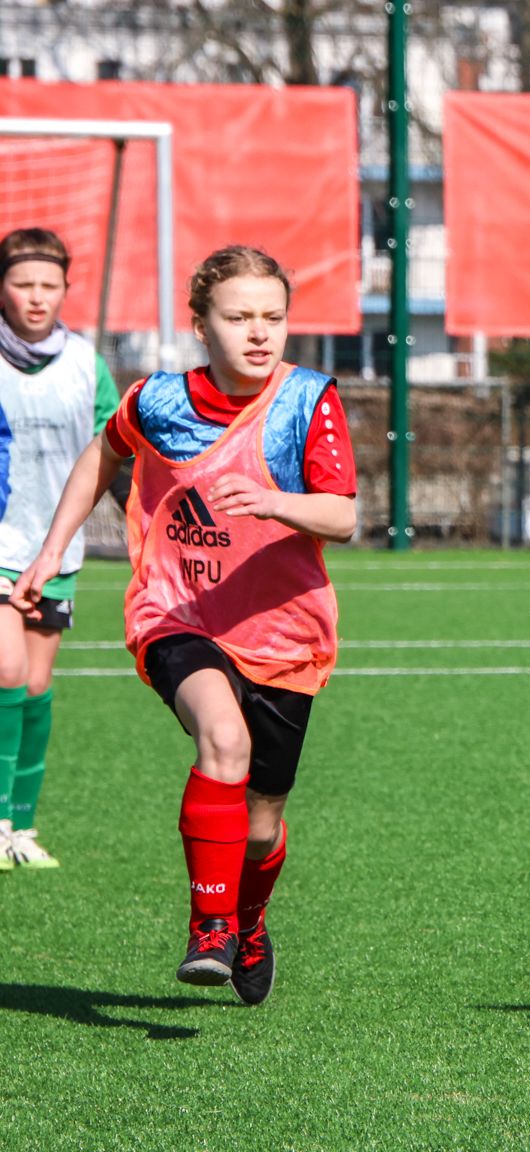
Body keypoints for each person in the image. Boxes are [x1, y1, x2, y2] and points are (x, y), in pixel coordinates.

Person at [13, 245, 358, 999]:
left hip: (283, 631)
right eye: (239, 317)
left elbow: (343, 516)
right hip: (177, 611)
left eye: (273, 317)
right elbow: (101, 456)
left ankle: (249, 920)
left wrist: (275, 503)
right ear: (202, 325)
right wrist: (52, 550)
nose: (259, 333)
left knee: (262, 824)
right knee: (222, 738)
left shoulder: (308, 400)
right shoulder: (158, 400)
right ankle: (210, 927)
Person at [0, 228, 120, 870]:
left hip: (56, 547)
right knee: (6, 671)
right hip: (1, 542)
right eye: (23, 283)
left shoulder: (85, 363)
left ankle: (21, 825)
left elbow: (115, 446)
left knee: (37, 685)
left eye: (49, 285)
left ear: (67, 289)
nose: (36, 296)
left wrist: (146, 517)